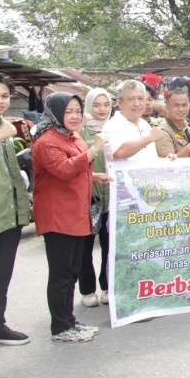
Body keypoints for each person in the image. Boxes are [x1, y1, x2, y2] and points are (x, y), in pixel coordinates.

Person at [33, 93, 110, 343]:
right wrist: (95, 149)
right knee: (62, 274)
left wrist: (94, 175)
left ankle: (69, 321)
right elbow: (64, 170)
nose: (75, 116)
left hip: (77, 214)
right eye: (68, 112)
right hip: (58, 217)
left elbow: (77, 166)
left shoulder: (71, 136)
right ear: (55, 114)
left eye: (77, 111)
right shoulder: (47, 141)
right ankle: (60, 326)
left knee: (73, 271)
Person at [0, 72, 32, 354]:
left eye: (5, 96)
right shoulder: (4, 130)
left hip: (9, 214)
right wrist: (0, 136)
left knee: (2, 274)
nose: (0, 101)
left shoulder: (5, 126)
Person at [78, 88, 112, 308]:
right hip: (88, 197)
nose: (101, 110)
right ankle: (87, 290)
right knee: (85, 245)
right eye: (96, 105)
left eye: (106, 105)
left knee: (110, 245)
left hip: (113, 195)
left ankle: (108, 286)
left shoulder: (115, 128)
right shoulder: (79, 131)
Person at [102, 80, 162, 163]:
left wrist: (166, 159)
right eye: (131, 99)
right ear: (119, 103)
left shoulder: (144, 125)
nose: (137, 104)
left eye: (140, 98)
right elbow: (118, 153)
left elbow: (148, 158)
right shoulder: (112, 126)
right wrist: (149, 138)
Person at [155, 88, 190, 159]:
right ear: (167, 107)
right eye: (176, 105)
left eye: (184, 105)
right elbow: (168, 163)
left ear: (189, 106)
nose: (181, 109)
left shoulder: (187, 128)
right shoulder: (163, 132)